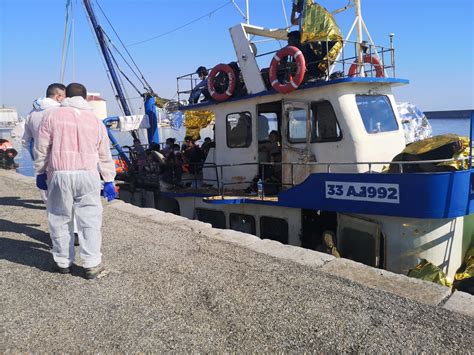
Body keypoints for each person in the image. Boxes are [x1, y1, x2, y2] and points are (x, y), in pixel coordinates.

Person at [34, 82, 116, 279]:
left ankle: (63, 262)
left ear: (65, 96)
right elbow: (104, 153)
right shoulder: (95, 121)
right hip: (88, 175)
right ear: (85, 98)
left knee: (60, 218)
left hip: (60, 173)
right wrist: (109, 179)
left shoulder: (51, 116)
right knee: (90, 220)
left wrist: (40, 172)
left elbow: (42, 148)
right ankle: (92, 264)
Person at [22, 83, 66, 202]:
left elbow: (26, 139)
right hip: (60, 159)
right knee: (63, 196)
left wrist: (35, 156)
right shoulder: (60, 111)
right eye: (64, 96)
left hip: (39, 156)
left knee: (47, 194)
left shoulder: (32, 113)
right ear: (58, 96)